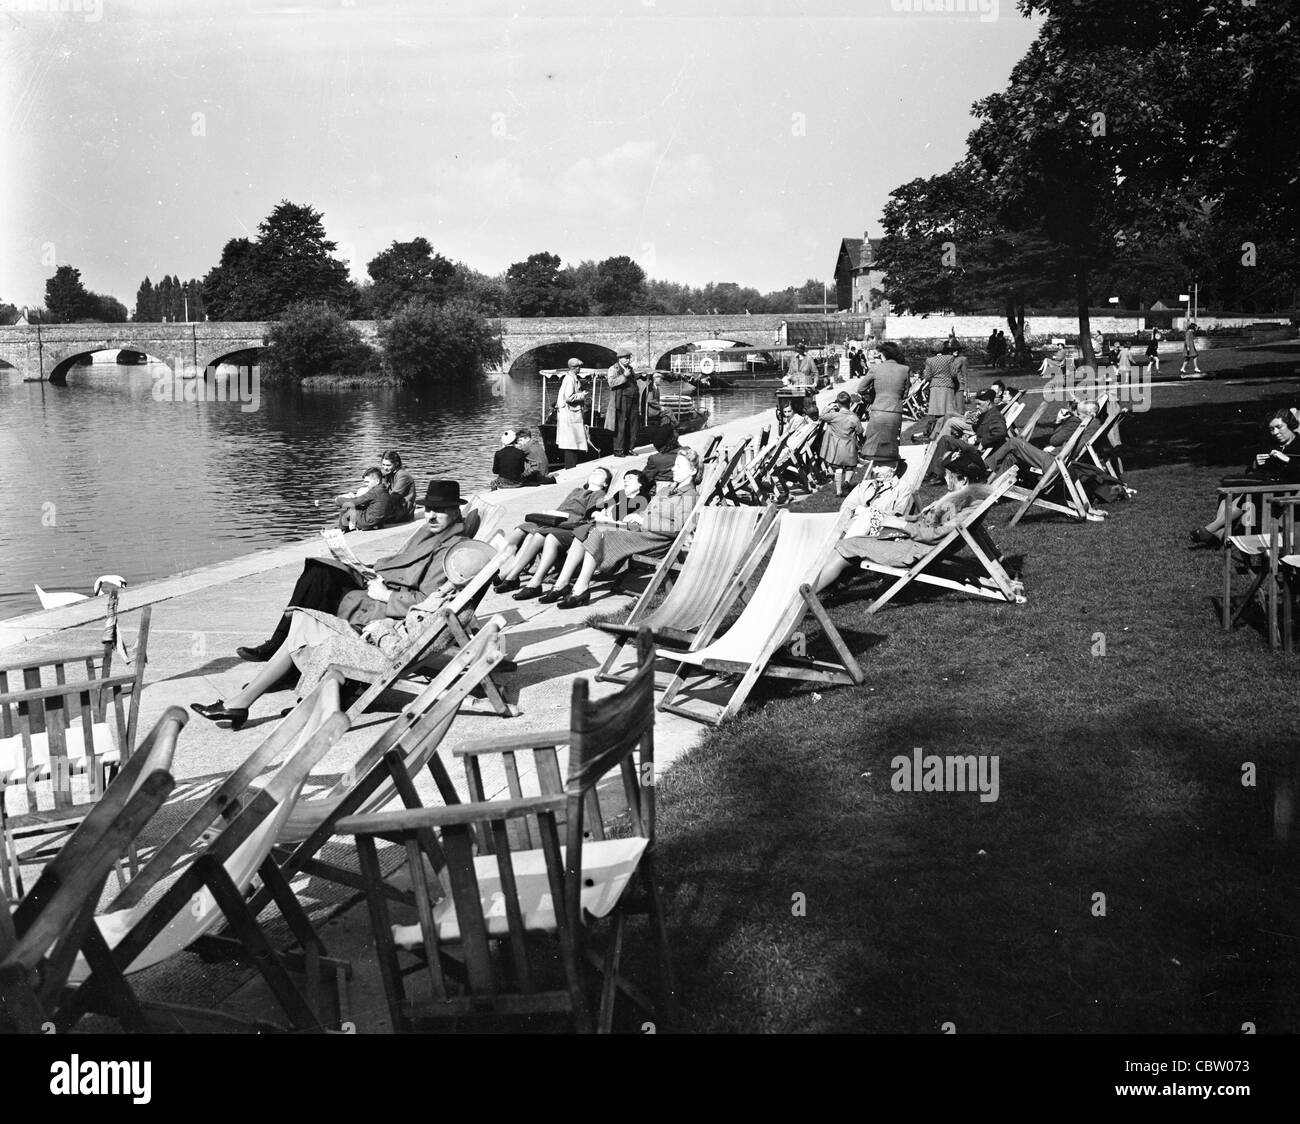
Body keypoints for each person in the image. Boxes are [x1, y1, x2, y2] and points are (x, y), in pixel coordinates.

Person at [191, 539, 502, 730]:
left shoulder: (452, 611)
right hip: (383, 643)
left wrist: (378, 628)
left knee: (311, 638)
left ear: (458, 577)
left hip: (384, 656)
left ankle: (249, 703)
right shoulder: (450, 599)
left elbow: (400, 653)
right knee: (301, 618)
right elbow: (411, 634)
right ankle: (243, 703)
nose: (445, 579)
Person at [233, 479, 472, 661]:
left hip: (387, 596)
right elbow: (402, 562)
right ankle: (281, 646)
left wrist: (384, 594)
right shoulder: (431, 531)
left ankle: (281, 651)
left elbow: (427, 600)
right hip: (381, 580)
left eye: (439, 510)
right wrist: (368, 569)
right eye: (429, 509)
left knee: (320, 583)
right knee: (317, 570)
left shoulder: (451, 550)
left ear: (454, 511)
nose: (431, 515)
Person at [815, 447, 995, 590]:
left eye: (949, 476)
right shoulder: (965, 498)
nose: (946, 479)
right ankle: (814, 585)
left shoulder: (967, 504)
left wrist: (900, 524)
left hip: (915, 550)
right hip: (915, 544)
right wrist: (902, 518)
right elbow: (929, 524)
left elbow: (936, 535)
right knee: (850, 543)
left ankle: (806, 596)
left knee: (845, 547)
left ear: (963, 479)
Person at [536, 455, 699, 609]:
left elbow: (679, 528)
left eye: (679, 465)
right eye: (674, 464)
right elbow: (649, 512)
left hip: (655, 540)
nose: (673, 469)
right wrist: (636, 516)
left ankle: (580, 588)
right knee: (585, 531)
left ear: (692, 471)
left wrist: (643, 521)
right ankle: (561, 584)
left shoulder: (690, 496)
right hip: (639, 531)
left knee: (599, 532)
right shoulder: (666, 490)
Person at [511, 470, 655, 601]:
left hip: (616, 530)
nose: (626, 480)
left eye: (630, 478)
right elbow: (593, 510)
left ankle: (562, 585)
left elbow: (630, 519)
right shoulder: (619, 495)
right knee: (581, 532)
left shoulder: (642, 498)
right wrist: (597, 512)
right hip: (600, 525)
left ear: (640, 483)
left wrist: (610, 516)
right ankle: (561, 584)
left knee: (582, 532)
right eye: (624, 478)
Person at [492, 466, 612, 591]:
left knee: (534, 535)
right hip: (554, 520)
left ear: (605, 483)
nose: (594, 473)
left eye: (600, 473)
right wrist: (551, 513)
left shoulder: (599, 494)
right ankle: (505, 571)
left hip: (567, 523)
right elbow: (561, 507)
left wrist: (564, 516)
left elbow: (587, 517)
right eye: (593, 472)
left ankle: (510, 576)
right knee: (520, 530)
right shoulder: (576, 490)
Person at [1191, 411, 1300, 546]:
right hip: (1267, 485)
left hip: (1287, 490)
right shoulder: (1270, 444)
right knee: (1229, 491)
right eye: (1272, 429)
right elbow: (1254, 472)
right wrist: (1258, 463)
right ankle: (1219, 535)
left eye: (1279, 427)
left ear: (1289, 425)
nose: (1275, 432)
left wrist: (1287, 460)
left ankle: (1212, 528)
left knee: (1251, 493)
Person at [922, 390, 1008, 486]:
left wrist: (983, 442)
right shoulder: (987, 414)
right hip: (974, 443)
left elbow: (1001, 432)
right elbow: (979, 429)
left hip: (978, 449)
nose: (977, 406)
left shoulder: (995, 416)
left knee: (945, 440)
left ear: (988, 402)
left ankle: (936, 475)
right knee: (945, 439)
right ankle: (932, 472)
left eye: (979, 404)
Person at [856, 340, 910, 461]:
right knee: (892, 442)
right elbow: (905, 394)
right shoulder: (905, 369)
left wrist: (870, 397)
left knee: (871, 443)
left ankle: (871, 466)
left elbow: (861, 388)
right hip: (895, 409)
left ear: (884, 354)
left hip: (878, 409)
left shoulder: (876, 369)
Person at [820, 391, 863, 497]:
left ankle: (839, 490)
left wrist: (829, 406)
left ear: (838, 404)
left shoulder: (834, 416)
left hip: (837, 448)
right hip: (850, 447)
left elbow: (821, 416)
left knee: (838, 469)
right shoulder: (854, 417)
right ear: (850, 403)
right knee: (850, 467)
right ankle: (847, 482)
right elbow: (860, 431)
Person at [555, 358, 592, 469]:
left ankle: (571, 466)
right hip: (569, 416)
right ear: (574, 368)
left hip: (570, 415)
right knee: (571, 442)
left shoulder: (572, 378)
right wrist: (582, 395)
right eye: (578, 367)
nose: (579, 369)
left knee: (572, 442)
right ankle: (570, 467)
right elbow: (569, 398)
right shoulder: (569, 380)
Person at [920, 341, 961, 435]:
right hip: (947, 386)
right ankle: (947, 430)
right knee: (948, 411)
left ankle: (938, 431)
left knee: (938, 411)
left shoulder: (929, 360)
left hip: (935, 387)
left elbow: (927, 376)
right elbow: (953, 373)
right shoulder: (949, 358)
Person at [606, 349, 641, 457]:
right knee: (620, 425)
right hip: (621, 400)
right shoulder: (613, 369)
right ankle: (618, 450)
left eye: (629, 357)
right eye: (625, 358)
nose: (628, 360)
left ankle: (629, 448)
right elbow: (611, 383)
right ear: (620, 358)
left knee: (633, 425)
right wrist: (624, 376)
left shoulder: (630, 368)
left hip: (633, 400)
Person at [380, 451, 416, 520]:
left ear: (396, 463)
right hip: (394, 508)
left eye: (388, 465)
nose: (385, 468)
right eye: (383, 464)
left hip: (402, 512)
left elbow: (393, 498)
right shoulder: (389, 474)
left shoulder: (403, 476)